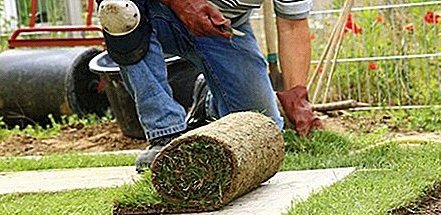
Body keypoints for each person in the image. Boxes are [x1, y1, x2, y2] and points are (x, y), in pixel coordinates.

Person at [97, 0, 323, 172]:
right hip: (157, 13)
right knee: (118, 7)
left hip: (220, 26)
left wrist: (297, 97)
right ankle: (165, 134)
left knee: (261, 127)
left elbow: (292, 26)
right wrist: (183, 3)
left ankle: (207, 103)